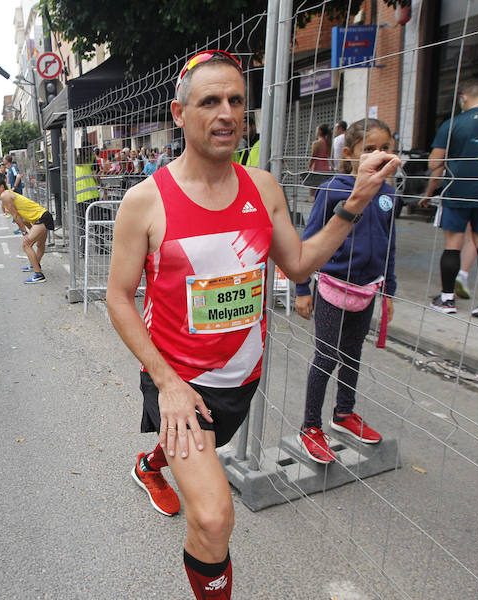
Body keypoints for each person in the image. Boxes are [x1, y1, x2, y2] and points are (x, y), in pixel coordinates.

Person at [105, 50, 399, 600]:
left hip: (241, 379)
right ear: (178, 113)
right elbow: (119, 299)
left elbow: (300, 264)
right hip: (180, 384)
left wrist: (356, 201)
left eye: (236, 101)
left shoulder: (262, 188)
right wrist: (165, 383)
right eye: (210, 101)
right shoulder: (145, 202)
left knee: (202, 464)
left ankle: (151, 462)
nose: (226, 113)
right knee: (214, 518)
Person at [295, 118, 397, 463]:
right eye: (370, 149)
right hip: (333, 288)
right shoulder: (334, 189)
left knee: (353, 355)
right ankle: (310, 426)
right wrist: (301, 288)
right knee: (326, 358)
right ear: (350, 154)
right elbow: (307, 241)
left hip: (367, 291)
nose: (378, 155)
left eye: (386, 148)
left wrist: (390, 292)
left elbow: (390, 244)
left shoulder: (388, 193)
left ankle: (344, 414)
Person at [424, 78, 478, 318]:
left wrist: (430, 192)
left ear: (462, 98)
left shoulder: (453, 123)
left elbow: (434, 163)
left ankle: (447, 298)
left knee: (453, 243)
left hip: (457, 190)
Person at [0, 174, 57, 284]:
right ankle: (35, 265)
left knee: (26, 244)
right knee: (40, 245)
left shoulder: (5, 195)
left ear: (2, 187)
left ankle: (38, 274)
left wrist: (25, 233)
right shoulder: (7, 196)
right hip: (42, 217)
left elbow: (16, 216)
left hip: (42, 218)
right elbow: (23, 218)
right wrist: (30, 230)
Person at [306, 123, 333, 201]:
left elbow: (313, 157)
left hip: (317, 168)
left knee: (312, 190)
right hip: (326, 168)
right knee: (323, 189)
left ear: (320, 131)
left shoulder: (317, 143)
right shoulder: (328, 143)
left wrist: (308, 168)